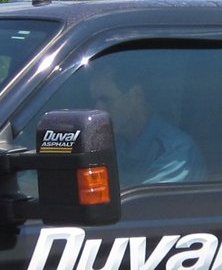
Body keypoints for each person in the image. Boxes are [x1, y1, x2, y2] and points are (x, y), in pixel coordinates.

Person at [88, 52, 206, 186]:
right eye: (95, 101)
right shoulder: (117, 145)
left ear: (136, 95)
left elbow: (145, 206)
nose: (98, 110)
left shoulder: (175, 151)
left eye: (105, 100)